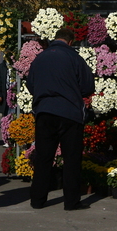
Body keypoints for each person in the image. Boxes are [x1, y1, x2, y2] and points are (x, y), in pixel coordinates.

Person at [26, 28, 94, 211]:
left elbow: (30, 84)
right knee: (71, 159)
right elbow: (87, 86)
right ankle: (71, 202)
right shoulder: (75, 58)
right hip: (69, 114)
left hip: (44, 112)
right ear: (70, 42)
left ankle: (37, 200)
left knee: (43, 157)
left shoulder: (39, 58)